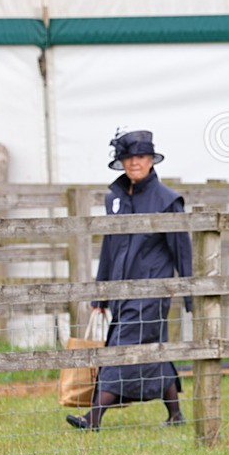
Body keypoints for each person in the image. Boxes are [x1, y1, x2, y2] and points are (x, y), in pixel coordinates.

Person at [67, 129, 192, 431]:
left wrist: (192, 295)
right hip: (120, 291)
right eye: (128, 157)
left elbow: (182, 250)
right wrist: (101, 295)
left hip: (153, 291)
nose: (135, 162)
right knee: (151, 350)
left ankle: (93, 418)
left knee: (120, 349)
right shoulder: (115, 199)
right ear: (121, 161)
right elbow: (109, 248)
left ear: (151, 160)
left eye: (141, 156)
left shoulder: (167, 201)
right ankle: (175, 414)